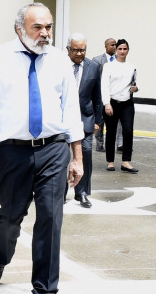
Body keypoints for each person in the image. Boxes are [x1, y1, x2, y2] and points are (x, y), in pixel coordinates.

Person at [0, 2, 84, 294]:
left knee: (50, 216)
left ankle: (45, 288)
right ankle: (0, 257)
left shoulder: (60, 60)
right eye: (38, 27)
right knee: (10, 217)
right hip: (13, 151)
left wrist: (77, 158)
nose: (45, 33)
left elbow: (71, 112)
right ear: (20, 29)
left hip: (54, 149)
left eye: (49, 26)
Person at [66, 33, 103, 208]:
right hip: (62, 120)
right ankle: (58, 191)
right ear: (68, 50)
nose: (80, 54)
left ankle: (82, 193)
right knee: (60, 156)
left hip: (85, 119)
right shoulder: (60, 65)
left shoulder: (93, 67)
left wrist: (97, 121)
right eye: (76, 50)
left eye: (83, 50)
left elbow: (97, 96)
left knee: (85, 154)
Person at [101, 39, 139, 173]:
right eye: (120, 49)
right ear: (116, 50)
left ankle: (126, 162)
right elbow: (104, 86)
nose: (122, 51)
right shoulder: (108, 66)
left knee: (128, 131)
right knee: (110, 133)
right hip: (112, 102)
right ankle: (110, 162)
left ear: (128, 50)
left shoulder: (131, 67)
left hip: (127, 103)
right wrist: (106, 104)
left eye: (125, 49)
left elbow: (134, 83)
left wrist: (136, 88)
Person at [91, 38, 121, 152]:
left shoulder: (120, 60)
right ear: (106, 46)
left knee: (117, 121)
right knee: (100, 120)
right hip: (100, 96)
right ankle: (99, 144)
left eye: (115, 45)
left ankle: (119, 144)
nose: (114, 47)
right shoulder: (97, 60)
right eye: (112, 45)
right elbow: (94, 78)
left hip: (115, 96)